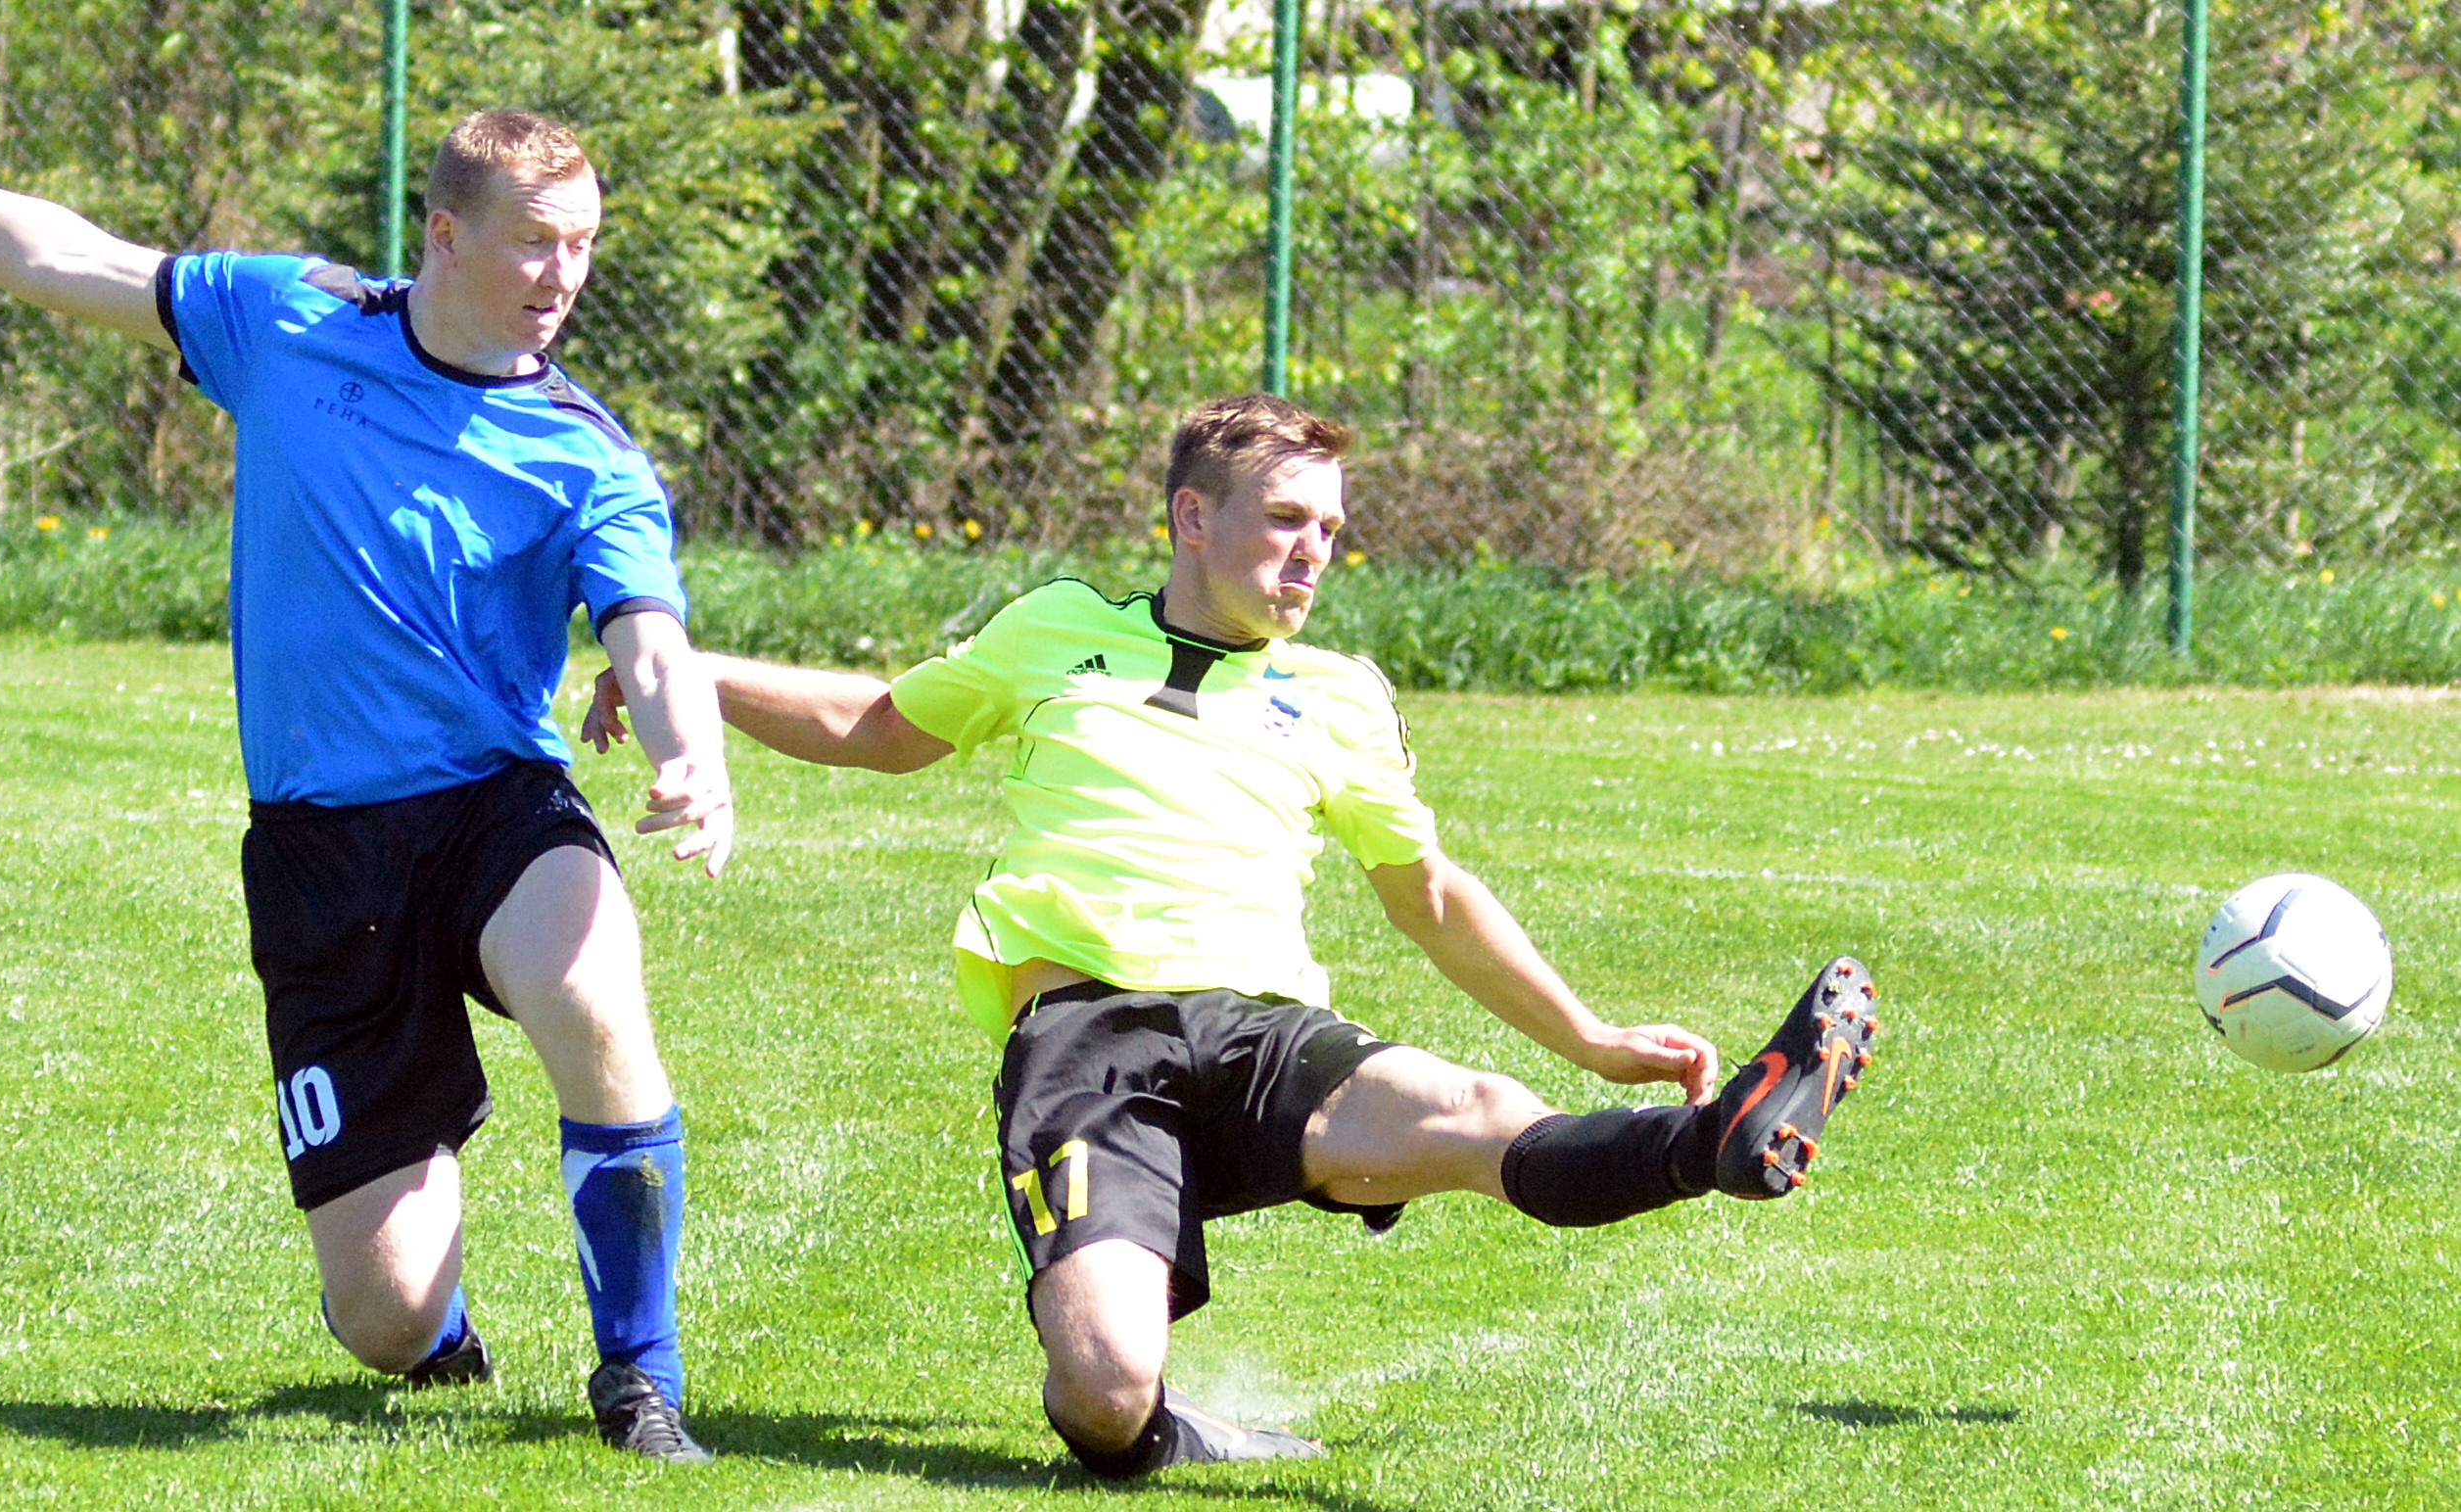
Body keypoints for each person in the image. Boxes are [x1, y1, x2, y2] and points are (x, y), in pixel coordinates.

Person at [587, 394, 1883, 1478]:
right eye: (1284, 522)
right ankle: (1165, 1435)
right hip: (1085, 1044)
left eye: (1330, 530)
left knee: (1483, 1109)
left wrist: (1595, 1040)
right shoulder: (1056, 633)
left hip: (1266, 1038)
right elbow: (877, 725)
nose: (1312, 553)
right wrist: (684, 674)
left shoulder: (1338, 694)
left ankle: (1710, 1145)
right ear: (1191, 519)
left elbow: (1424, 887)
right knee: (1101, 1389)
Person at [0, 56, 735, 1462]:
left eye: (582, 244)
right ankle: (437, 1317)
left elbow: (647, 631)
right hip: (321, 848)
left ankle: (641, 1381)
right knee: (384, 1319)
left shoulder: (588, 454)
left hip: (492, 812)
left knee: (593, 995)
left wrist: (690, 751)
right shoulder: (290, 318)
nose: (561, 272)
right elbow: (62, 254)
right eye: (535, 239)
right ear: (446, 236)